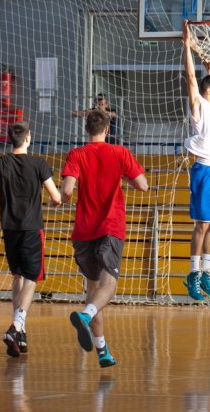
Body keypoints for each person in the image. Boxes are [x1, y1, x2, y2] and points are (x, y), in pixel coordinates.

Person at [61, 109, 149, 368]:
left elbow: (67, 190)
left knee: (93, 289)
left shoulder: (76, 154)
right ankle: (86, 317)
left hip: (83, 230)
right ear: (108, 130)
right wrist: (122, 175)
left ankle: (102, 350)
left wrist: (62, 198)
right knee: (108, 286)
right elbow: (143, 185)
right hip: (110, 227)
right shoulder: (120, 153)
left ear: (86, 130)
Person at [0, 121, 62, 357]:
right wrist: (56, 200)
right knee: (32, 277)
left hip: (9, 228)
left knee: (17, 275)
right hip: (32, 228)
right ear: (28, 138)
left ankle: (21, 331)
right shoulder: (39, 164)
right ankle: (17, 325)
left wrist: (0, 203)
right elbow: (56, 197)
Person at [181, 20, 210, 302]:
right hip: (204, 171)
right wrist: (187, 48)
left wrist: (196, 43)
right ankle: (194, 273)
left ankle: (208, 272)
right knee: (201, 225)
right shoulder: (198, 104)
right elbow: (191, 76)